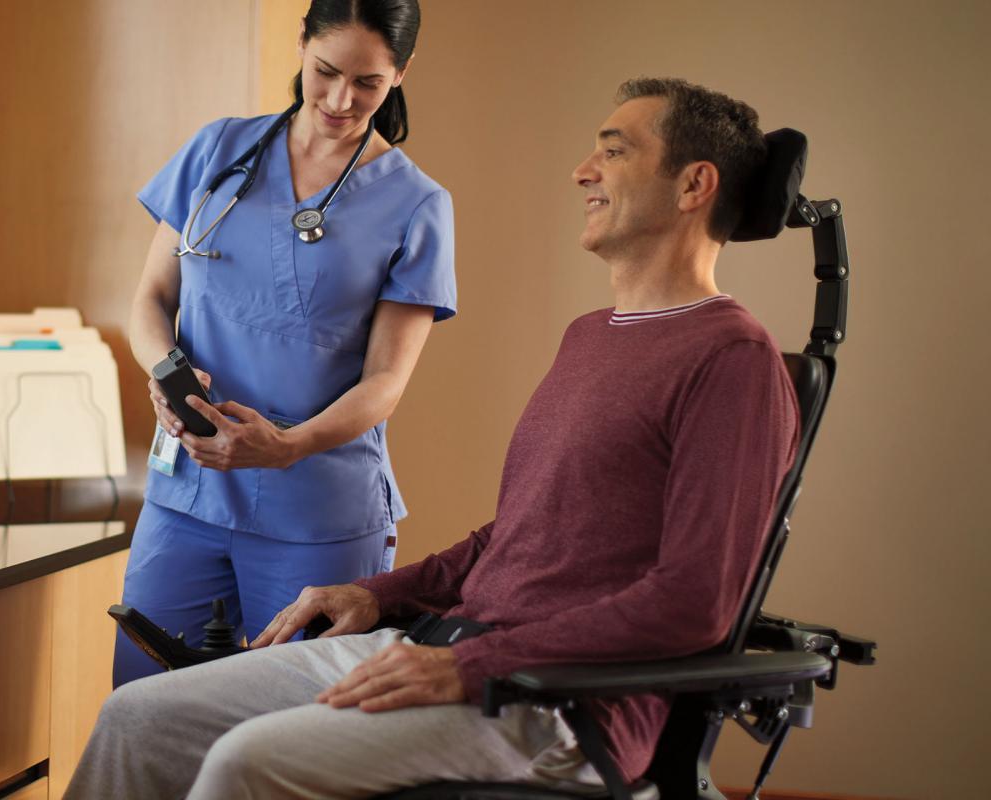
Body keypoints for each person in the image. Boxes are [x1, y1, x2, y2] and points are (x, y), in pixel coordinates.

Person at [68, 77, 798, 798]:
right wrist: (377, 593)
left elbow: (697, 601)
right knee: (140, 715)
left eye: (613, 152)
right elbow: (517, 538)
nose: (583, 171)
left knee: (246, 762)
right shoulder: (591, 339)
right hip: (455, 649)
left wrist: (474, 666)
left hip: (560, 703)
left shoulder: (732, 360)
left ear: (694, 184)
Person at [118, 0, 457, 686]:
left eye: (368, 83)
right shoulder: (218, 151)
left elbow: (385, 382)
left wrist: (288, 446)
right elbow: (150, 302)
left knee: (291, 725)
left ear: (402, 72)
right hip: (187, 496)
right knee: (144, 705)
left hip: (317, 511)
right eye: (325, 71)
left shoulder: (417, 205)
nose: (341, 99)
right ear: (301, 43)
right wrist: (165, 369)